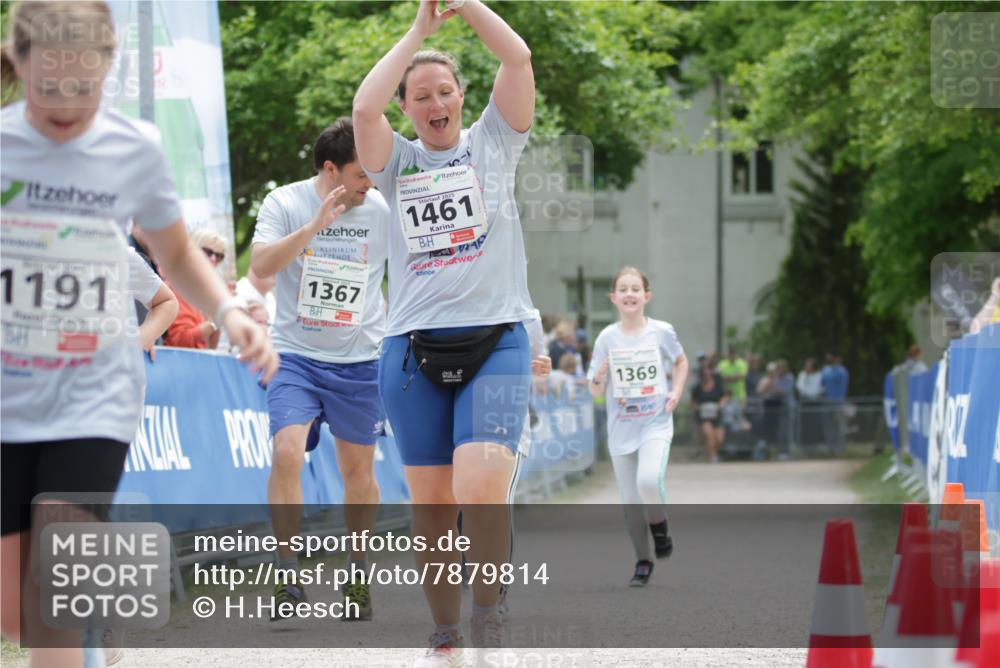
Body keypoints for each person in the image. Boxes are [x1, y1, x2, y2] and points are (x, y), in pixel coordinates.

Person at [0, 5, 277, 668]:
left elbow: (175, 252)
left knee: (53, 600)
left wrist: (229, 310)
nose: (66, 106)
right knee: (14, 612)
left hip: (94, 392)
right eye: (50, 88)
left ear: (108, 70)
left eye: (84, 88)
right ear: (21, 66)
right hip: (11, 394)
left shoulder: (134, 147)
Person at [353, 0, 537, 663]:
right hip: (412, 351)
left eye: (444, 91)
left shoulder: (494, 142)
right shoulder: (395, 163)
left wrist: (467, 6)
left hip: (497, 343)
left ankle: (488, 616)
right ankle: (444, 633)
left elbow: (517, 58)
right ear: (407, 108)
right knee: (431, 505)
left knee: (480, 486)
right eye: (421, 96)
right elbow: (363, 110)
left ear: (462, 96)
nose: (435, 104)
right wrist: (417, 32)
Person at [250, 119, 389, 622]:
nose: (369, 183)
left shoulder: (382, 209)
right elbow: (260, 265)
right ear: (330, 170)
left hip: (360, 359)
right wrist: (314, 228)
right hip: (295, 356)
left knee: (358, 471)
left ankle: (357, 574)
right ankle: (288, 573)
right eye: (359, 174)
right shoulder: (284, 202)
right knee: (286, 452)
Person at [588, 267, 689, 587]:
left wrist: (676, 391)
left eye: (635, 289)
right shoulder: (606, 337)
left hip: (655, 421)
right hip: (621, 428)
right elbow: (594, 390)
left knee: (648, 480)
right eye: (623, 289)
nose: (629, 294)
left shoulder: (661, 331)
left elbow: (681, 361)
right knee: (631, 503)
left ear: (647, 296)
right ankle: (643, 561)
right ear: (613, 297)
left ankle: (660, 527)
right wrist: (600, 377)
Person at [162, 227, 229, 349]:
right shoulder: (179, 285)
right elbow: (180, 340)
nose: (213, 259)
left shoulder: (206, 290)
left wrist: (221, 308)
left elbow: (211, 347)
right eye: (207, 252)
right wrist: (215, 322)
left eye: (219, 256)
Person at [691, 365, 728, 464]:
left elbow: (725, 396)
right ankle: (712, 457)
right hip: (704, 417)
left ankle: (712, 452)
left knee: (719, 439)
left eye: (708, 374)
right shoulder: (697, 388)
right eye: (704, 374)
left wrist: (720, 404)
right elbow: (693, 403)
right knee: (709, 435)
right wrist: (699, 407)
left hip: (717, 415)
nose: (707, 376)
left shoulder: (718, 386)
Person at [821, 353, 849, 454]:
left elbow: (843, 388)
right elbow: (822, 385)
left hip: (838, 402)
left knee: (839, 425)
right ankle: (830, 447)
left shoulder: (842, 371)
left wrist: (840, 402)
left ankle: (839, 447)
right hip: (827, 402)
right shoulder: (825, 370)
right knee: (828, 425)